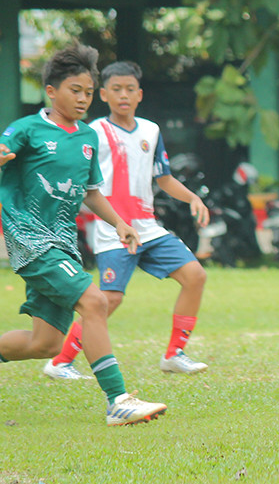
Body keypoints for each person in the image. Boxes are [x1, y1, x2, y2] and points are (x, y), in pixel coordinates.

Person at [0, 43, 166, 425]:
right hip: (32, 241)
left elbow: (92, 192)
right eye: (76, 90)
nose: (83, 98)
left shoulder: (88, 137)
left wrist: (120, 222)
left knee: (45, 343)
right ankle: (118, 400)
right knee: (95, 302)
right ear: (51, 91)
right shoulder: (27, 129)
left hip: (63, 244)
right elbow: (5, 148)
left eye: (89, 92)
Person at [42, 61, 210, 381]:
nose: (124, 96)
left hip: (148, 227)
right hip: (112, 230)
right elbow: (78, 179)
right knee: (110, 299)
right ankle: (61, 361)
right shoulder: (93, 133)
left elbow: (163, 178)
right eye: (116, 89)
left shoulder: (151, 130)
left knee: (195, 276)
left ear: (140, 94)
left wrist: (193, 198)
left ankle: (174, 354)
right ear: (103, 94)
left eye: (130, 90)